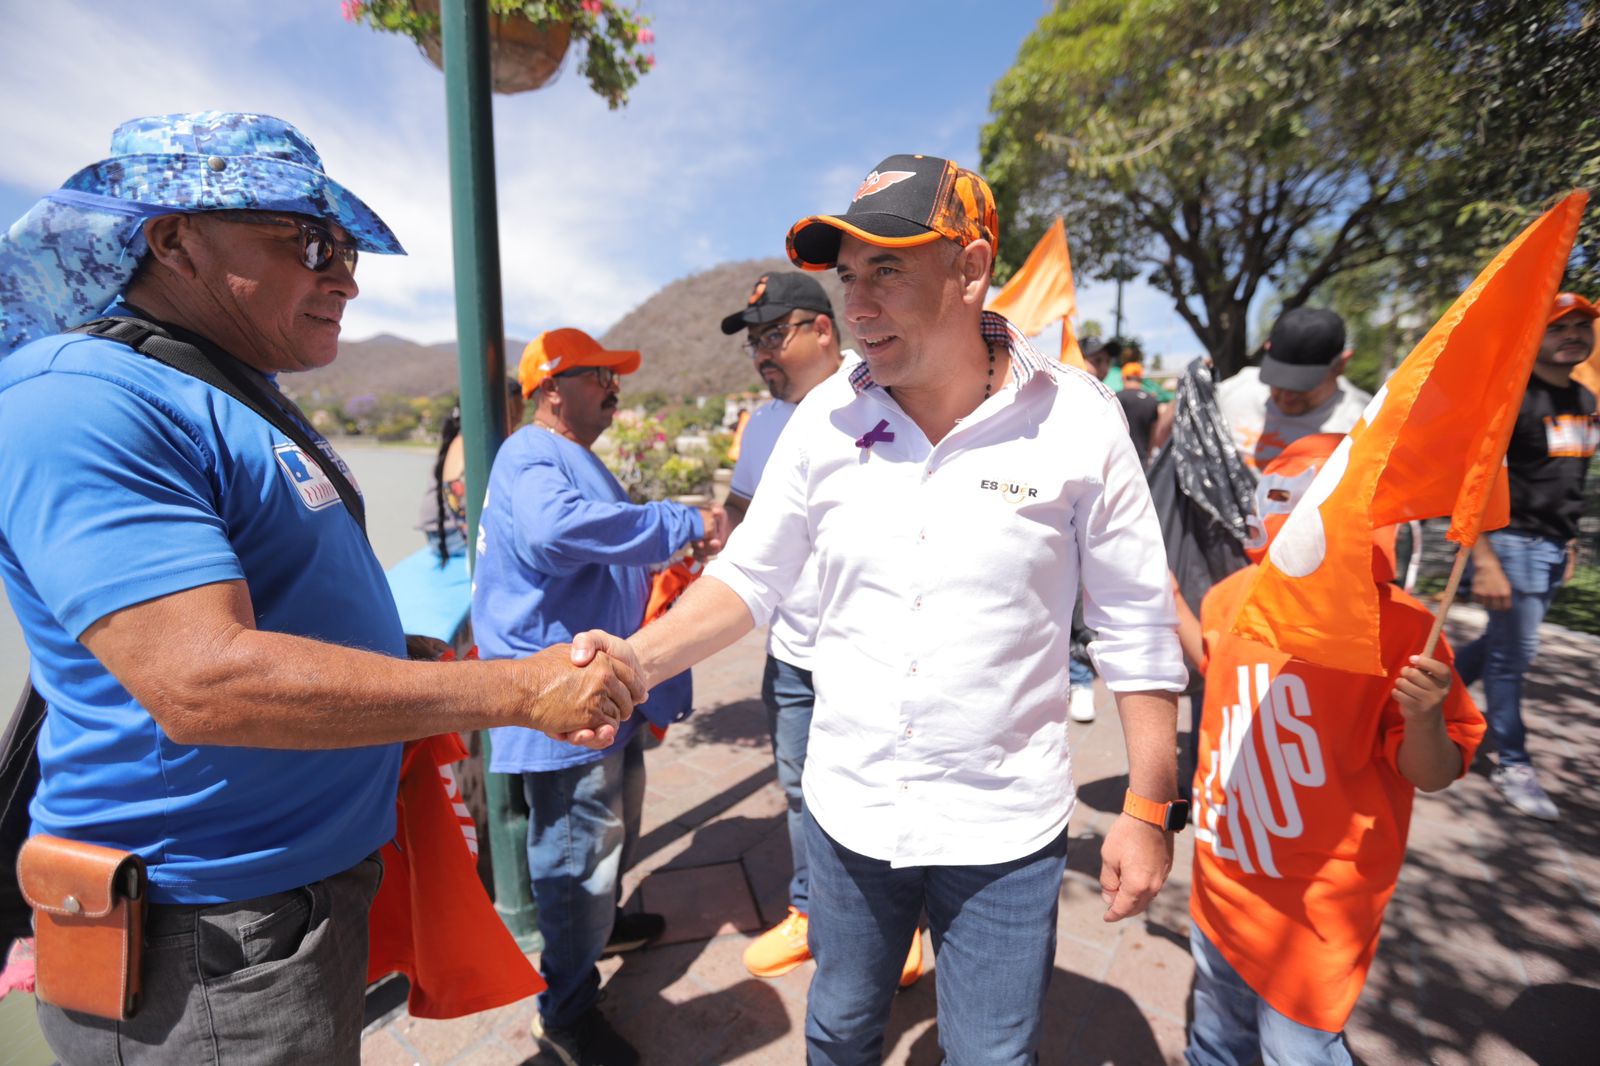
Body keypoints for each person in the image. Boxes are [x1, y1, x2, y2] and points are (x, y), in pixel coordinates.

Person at [0, 112, 638, 1065]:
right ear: (173, 239)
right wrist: (515, 690)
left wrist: (391, 658)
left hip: (291, 903)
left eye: (347, 250)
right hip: (205, 937)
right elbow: (202, 681)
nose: (343, 274)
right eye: (310, 240)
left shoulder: (226, 389)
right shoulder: (82, 401)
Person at [576, 153, 1189, 1064]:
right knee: (839, 1026)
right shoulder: (826, 418)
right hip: (850, 810)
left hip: (1004, 829)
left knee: (991, 1052)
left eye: (889, 270)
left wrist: (1146, 806)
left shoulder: (1080, 420)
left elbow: (1137, 623)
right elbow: (749, 576)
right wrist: (633, 662)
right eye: (848, 277)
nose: (856, 305)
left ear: (972, 268)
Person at [1173, 433, 1484, 1065]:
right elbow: (1215, 659)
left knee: (1298, 1048)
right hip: (1222, 872)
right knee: (1216, 1031)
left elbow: (1433, 772)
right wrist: (1160, 592)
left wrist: (1424, 717)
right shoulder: (1233, 594)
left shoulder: (1403, 629)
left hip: (1319, 907)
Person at [472, 328, 729, 1065]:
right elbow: (555, 534)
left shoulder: (565, 457)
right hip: (565, 704)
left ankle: (600, 926)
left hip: (603, 698)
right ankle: (565, 1011)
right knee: (577, 852)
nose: (615, 389)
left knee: (606, 836)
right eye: (598, 377)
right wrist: (677, 523)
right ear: (552, 388)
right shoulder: (532, 452)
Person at [719, 272, 927, 983]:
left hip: (869, 654)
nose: (761, 354)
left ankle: (902, 923)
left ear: (821, 329)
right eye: (753, 342)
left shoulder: (887, 396)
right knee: (802, 789)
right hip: (793, 651)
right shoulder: (765, 421)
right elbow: (741, 517)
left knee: (889, 785)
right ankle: (810, 910)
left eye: (772, 335)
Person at [1454, 292, 1599, 820]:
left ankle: (1430, 699)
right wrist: (1485, 559)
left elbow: (1568, 481)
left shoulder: (1586, 401)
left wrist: (1571, 542)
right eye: (1559, 327)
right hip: (1510, 543)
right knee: (1512, 658)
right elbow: (1475, 481)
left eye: (1582, 327)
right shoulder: (1512, 399)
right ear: (1533, 337)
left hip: (1554, 547)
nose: (1573, 336)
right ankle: (1512, 760)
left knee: (1501, 642)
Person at [1217, 307, 1371, 472]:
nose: (1286, 395)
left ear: (1341, 365)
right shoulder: (1238, 389)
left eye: (1302, 385)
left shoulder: (1361, 425)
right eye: (1277, 380)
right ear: (1267, 350)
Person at [420, 378, 525, 565]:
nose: (515, 426)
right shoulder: (472, 447)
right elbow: (468, 516)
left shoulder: (468, 441)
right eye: (513, 416)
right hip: (452, 536)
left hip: (447, 532)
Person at [1117, 359, 1172, 468]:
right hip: (1142, 461)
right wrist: (1149, 456)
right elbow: (1155, 433)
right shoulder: (1152, 400)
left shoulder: (1117, 398)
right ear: (1140, 379)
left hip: (1120, 461)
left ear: (1124, 378)